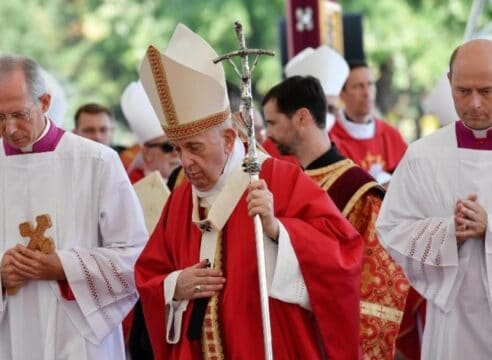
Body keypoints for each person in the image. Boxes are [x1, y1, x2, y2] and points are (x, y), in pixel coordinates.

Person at [135, 23, 363, 359]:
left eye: (195, 148)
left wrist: (277, 230)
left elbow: (343, 256)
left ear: (228, 140)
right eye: (177, 149)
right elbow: (149, 274)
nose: (185, 162)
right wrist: (174, 286)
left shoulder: (280, 179)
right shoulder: (182, 199)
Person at [0, 54, 147, 358]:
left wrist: (64, 267)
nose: (10, 128)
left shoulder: (97, 161)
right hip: (11, 332)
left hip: (78, 337)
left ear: (44, 103)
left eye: (18, 114)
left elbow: (135, 257)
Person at [263, 75, 409, 359]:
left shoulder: (358, 190)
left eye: (273, 122)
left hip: (335, 339)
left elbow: (381, 283)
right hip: (294, 334)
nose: (268, 134)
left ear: (301, 117)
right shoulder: (290, 183)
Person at [376, 38, 492, 359]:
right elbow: (391, 228)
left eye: (487, 91)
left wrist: (488, 228)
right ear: (449, 83)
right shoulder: (423, 155)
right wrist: (446, 233)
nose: (475, 104)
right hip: (451, 318)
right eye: (463, 91)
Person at [330, 60, 407, 184]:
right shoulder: (331, 139)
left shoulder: (391, 135)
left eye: (370, 84)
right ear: (342, 94)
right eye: (358, 86)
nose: (366, 93)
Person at [122, 80, 180, 184]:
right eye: (168, 147)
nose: (176, 153)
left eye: (179, 144)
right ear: (147, 153)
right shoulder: (131, 189)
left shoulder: (192, 186)